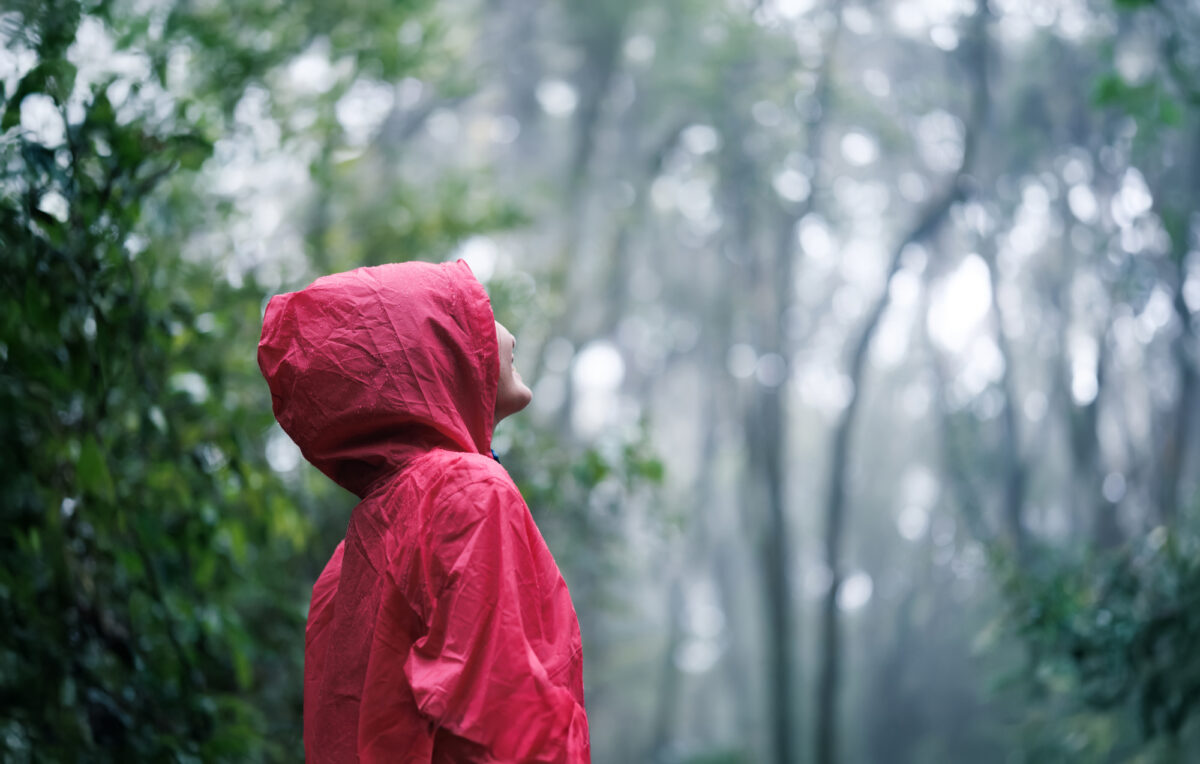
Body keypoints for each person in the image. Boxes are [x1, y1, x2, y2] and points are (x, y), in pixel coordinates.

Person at [258, 260, 590, 763]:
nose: (508, 333)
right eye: (480, 314)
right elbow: (507, 721)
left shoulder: (348, 558)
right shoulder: (467, 491)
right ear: (436, 351)